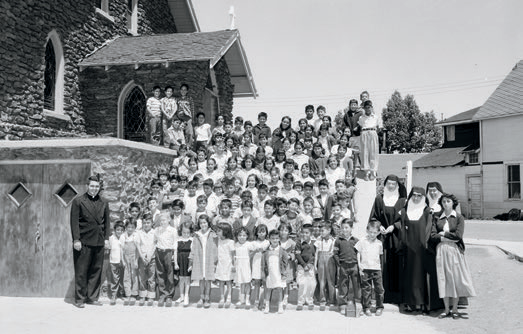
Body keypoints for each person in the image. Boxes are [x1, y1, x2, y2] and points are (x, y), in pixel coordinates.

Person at [430, 194, 476, 319]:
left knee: (455, 279)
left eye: (448, 201)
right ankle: (446, 309)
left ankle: (455, 309)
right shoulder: (437, 217)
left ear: (453, 203)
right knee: (443, 278)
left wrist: (444, 234)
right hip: (441, 250)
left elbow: (458, 236)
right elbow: (433, 235)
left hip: (454, 250)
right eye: (443, 201)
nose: (445, 203)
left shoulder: (459, 217)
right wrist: (445, 236)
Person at [70, 175, 110, 308]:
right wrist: (76, 239)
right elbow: (74, 222)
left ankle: (92, 297)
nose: (94, 189)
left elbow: (107, 222)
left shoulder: (104, 202)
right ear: (87, 186)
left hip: (98, 241)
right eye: (92, 186)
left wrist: (107, 239)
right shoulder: (78, 201)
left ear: (100, 188)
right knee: (81, 271)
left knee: (96, 270)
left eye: (97, 186)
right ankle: (80, 299)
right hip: (84, 241)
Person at [402, 186, 443, 312]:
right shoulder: (405, 210)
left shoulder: (427, 211)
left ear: (423, 197)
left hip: (422, 249)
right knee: (410, 276)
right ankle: (410, 303)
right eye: (414, 195)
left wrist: (423, 244)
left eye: (419, 196)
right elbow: (402, 226)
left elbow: (428, 229)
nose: (416, 198)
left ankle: (422, 303)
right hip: (408, 249)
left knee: (421, 277)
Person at [370, 175, 407, 304]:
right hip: (383, 237)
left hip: (397, 238)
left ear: (397, 186)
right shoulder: (379, 199)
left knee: (398, 265)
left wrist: (394, 226)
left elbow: (406, 219)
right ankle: (383, 296)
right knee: (383, 265)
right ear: (385, 185)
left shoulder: (402, 201)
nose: (391, 186)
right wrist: (379, 226)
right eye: (388, 184)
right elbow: (374, 216)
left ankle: (398, 297)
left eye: (393, 184)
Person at [355, 219, 384, 316]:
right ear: (367, 230)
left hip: (376, 269)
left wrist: (379, 268)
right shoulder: (362, 241)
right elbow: (358, 253)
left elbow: (379, 256)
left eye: (375, 233)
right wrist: (360, 266)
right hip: (365, 268)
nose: (372, 234)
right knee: (366, 289)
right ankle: (366, 307)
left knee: (379, 289)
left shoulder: (379, 243)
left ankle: (379, 307)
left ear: (378, 232)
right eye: (370, 232)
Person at [189, 214, 218, 308]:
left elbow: (216, 248)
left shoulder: (213, 234)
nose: (203, 224)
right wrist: (191, 260)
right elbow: (193, 248)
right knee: (201, 279)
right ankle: (201, 297)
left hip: (209, 258)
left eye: (204, 222)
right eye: (201, 223)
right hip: (200, 258)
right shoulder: (197, 235)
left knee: (208, 279)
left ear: (208, 223)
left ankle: (207, 297)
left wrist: (215, 260)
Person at [334, 218, 360, 316]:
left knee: (356, 284)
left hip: (354, 265)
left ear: (351, 228)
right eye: (342, 228)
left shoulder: (356, 240)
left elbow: (359, 253)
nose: (344, 230)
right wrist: (339, 264)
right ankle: (342, 304)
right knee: (343, 284)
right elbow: (335, 253)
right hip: (343, 266)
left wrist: (358, 264)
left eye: (346, 227)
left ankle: (357, 302)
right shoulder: (338, 241)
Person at [261, 229, 288, 314]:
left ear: (279, 239)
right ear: (269, 239)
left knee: (280, 289)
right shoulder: (266, 251)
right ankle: (267, 306)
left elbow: (285, 262)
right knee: (268, 289)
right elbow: (263, 263)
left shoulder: (282, 250)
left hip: (279, 273)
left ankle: (280, 306)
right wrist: (263, 273)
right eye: (273, 238)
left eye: (276, 238)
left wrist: (284, 273)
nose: (275, 240)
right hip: (270, 273)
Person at [154, 212, 177, 307]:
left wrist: (173, 255)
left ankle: (169, 296)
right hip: (159, 252)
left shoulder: (172, 230)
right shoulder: (157, 230)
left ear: (168, 220)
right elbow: (155, 241)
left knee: (169, 274)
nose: (162, 222)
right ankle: (162, 294)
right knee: (160, 273)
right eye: (161, 220)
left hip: (168, 252)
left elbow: (175, 243)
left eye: (164, 220)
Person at [135, 213, 156, 306]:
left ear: (151, 223)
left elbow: (155, 245)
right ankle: (142, 295)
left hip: (152, 258)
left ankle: (151, 296)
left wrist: (150, 256)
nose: (146, 224)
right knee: (142, 277)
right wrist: (142, 256)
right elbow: (138, 245)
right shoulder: (139, 233)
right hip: (142, 257)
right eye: (144, 223)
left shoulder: (155, 232)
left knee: (151, 277)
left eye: (148, 222)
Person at [314, 223, 336, 310]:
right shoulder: (319, 239)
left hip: (330, 261)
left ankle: (332, 300)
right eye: (320, 231)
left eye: (322, 230)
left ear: (329, 230)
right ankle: (322, 300)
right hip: (321, 261)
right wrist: (315, 264)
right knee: (322, 281)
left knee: (331, 281)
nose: (321, 232)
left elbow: (334, 252)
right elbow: (316, 253)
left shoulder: (333, 240)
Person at [295, 224, 317, 310]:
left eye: (307, 233)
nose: (304, 235)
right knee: (302, 283)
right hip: (301, 266)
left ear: (311, 234)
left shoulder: (314, 243)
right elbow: (297, 255)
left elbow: (314, 255)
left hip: (310, 266)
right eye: (303, 233)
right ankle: (300, 301)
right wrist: (304, 265)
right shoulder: (299, 243)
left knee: (311, 283)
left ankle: (309, 300)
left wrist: (309, 264)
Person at [215, 223, 236, 308]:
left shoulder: (230, 242)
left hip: (228, 264)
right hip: (220, 263)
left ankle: (229, 298)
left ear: (225, 231)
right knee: (221, 281)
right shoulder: (218, 240)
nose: (217, 232)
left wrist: (234, 265)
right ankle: (222, 297)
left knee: (228, 281)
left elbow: (233, 255)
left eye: (219, 230)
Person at [358, 100, 379, 180]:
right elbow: (360, 126)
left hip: (373, 132)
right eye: (366, 108)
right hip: (364, 132)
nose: (368, 109)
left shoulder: (375, 117)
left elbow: (377, 126)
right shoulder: (361, 118)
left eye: (369, 107)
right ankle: (366, 173)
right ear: (364, 108)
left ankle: (373, 172)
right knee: (364, 153)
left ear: (371, 107)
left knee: (373, 153)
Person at [251, 224, 270, 310]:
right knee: (257, 283)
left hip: (265, 265)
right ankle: (256, 302)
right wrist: (255, 251)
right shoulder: (253, 243)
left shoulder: (268, 242)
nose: (261, 234)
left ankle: (265, 302)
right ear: (257, 233)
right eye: (260, 232)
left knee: (266, 283)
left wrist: (265, 251)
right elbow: (250, 255)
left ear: (266, 233)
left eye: (263, 232)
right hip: (256, 264)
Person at [174, 222, 192, 307]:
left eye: (188, 233)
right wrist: (176, 263)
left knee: (187, 279)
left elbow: (193, 253)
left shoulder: (192, 240)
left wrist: (191, 264)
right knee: (181, 279)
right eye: (184, 232)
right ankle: (181, 296)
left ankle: (186, 296)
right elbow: (175, 252)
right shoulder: (178, 240)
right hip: (180, 260)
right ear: (181, 232)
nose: (186, 234)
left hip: (188, 260)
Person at [120, 220, 139, 305]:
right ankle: (128, 294)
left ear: (135, 228)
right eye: (128, 227)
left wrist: (136, 260)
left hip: (134, 257)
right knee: (126, 276)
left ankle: (134, 294)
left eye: (132, 227)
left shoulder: (136, 236)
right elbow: (121, 249)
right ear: (126, 228)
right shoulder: (123, 236)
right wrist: (123, 260)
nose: (130, 229)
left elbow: (138, 249)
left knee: (134, 275)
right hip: (126, 258)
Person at [278, 223, 296, 306]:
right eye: (281, 230)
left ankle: (286, 297)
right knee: (279, 280)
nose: (283, 232)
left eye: (285, 230)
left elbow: (295, 253)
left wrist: (290, 256)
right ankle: (279, 297)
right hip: (278, 264)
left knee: (287, 282)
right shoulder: (276, 241)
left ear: (289, 232)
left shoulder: (292, 243)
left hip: (288, 264)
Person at [107, 221, 124, 305]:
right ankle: (113, 295)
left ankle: (121, 293)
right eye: (118, 230)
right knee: (114, 278)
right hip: (113, 261)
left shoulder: (123, 238)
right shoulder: (111, 238)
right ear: (114, 230)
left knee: (123, 278)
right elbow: (109, 249)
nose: (119, 232)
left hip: (123, 261)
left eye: (121, 230)